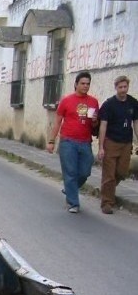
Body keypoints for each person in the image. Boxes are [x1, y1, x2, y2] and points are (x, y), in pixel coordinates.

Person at [46, 71, 100, 213]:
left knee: (85, 171)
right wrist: (51, 141)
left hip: (85, 142)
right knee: (70, 172)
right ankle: (73, 203)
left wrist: (95, 121)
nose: (85, 86)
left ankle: (70, 188)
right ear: (76, 84)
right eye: (82, 83)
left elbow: (94, 126)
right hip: (68, 141)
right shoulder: (67, 100)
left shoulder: (93, 102)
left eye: (88, 84)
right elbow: (57, 122)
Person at [97, 75, 138, 214]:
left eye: (125, 87)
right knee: (109, 174)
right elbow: (103, 125)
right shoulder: (109, 104)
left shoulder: (133, 103)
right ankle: (107, 203)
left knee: (122, 172)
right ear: (116, 88)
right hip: (111, 142)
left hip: (126, 143)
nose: (123, 90)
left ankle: (106, 190)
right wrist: (101, 147)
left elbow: (136, 123)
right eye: (120, 87)